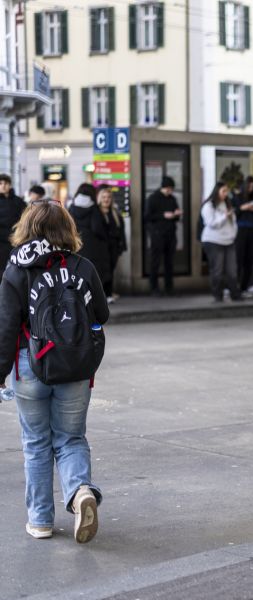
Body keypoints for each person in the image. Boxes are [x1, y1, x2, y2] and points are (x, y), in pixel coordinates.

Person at [0, 200, 109, 542]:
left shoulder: (17, 269)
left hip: (29, 365)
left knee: (36, 443)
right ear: (68, 229)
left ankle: (41, 521)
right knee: (71, 438)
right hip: (75, 366)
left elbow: (5, 327)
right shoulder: (83, 266)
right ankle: (80, 494)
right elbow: (101, 314)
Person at [200, 182, 242, 303]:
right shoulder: (208, 206)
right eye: (223, 191)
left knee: (232, 269)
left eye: (227, 191)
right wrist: (224, 216)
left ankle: (235, 294)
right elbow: (211, 224)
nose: (225, 194)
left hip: (229, 240)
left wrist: (233, 234)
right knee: (217, 270)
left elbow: (233, 222)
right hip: (213, 241)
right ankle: (217, 295)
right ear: (217, 191)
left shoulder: (227, 204)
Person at [68, 184, 111, 302]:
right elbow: (97, 228)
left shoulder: (72, 207)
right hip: (93, 247)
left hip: (76, 245)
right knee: (92, 274)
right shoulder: (93, 209)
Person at [144, 176, 182, 296]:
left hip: (170, 233)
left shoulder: (172, 199)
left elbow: (177, 217)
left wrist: (176, 214)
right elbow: (147, 216)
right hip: (157, 234)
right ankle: (154, 287)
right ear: (164, 187)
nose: (170, 191)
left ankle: (169, 287)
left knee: (169, 262)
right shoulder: (153, 198)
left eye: (171, 189)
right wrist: (163, 215)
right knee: (155, 261)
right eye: (169, 189)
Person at [233, 176, 253, 295]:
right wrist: (244, 207)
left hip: (252, 230)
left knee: (249, 260)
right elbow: (234, 213)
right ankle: (234, 286)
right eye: (249, 186)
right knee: (238, 259)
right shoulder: (238, 198)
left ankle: (244, 287)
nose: (251, 189)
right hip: (240, 230)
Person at [97, 187, 127, 302]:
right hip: (101, 248)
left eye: (109, 197)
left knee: (110, 271)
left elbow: (121, 231)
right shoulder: (97, 213)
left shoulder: (115, 213)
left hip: (113, 248)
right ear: (100, 198)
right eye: (104, 197)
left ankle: (108, 294)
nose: (106, 199)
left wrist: (121, 248)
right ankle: (103, 294)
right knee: (103, 271)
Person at [0, 173, 27, 262]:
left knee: (16, 263)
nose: (3, 186)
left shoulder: (18, 201)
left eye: (6, 183)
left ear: (10, 185)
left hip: (16, 238)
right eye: (0, 183)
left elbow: (26, 217)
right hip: (1, 241)